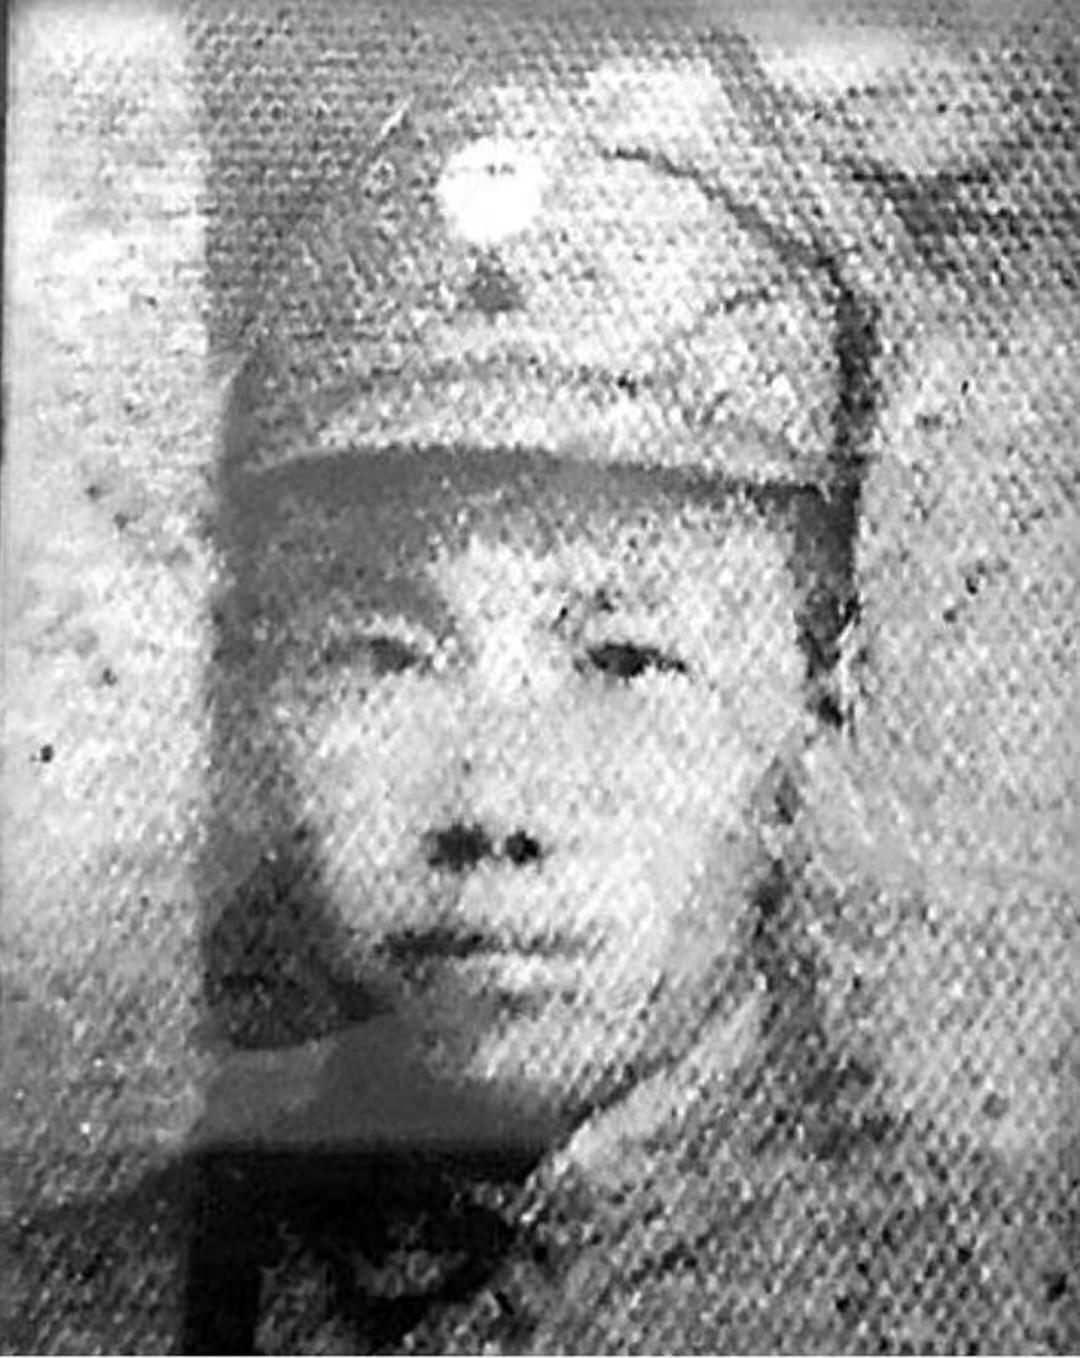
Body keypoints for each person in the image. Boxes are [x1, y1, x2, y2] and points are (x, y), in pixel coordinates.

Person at [187, 15, 1066, 1354]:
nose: (493, 805)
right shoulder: (81, 1304)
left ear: (820, 683)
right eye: (381, 650)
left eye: (625, 659)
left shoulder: (996, 1308)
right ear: (253, 683)